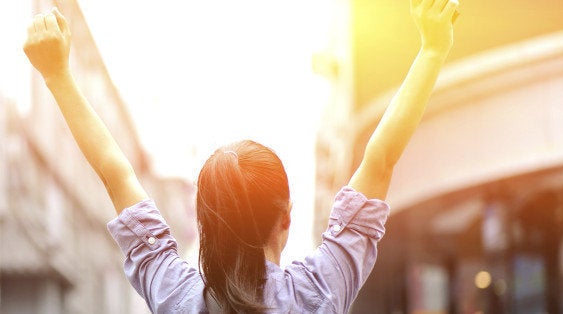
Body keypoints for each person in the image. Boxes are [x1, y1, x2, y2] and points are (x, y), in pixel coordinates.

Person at [23, 0, 458, 312]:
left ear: (203, 223)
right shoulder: (320, 290)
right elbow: (378, 160)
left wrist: (57, 75)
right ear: (285, 217)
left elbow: (116, 174)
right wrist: (432, 50)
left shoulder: (177, 296)